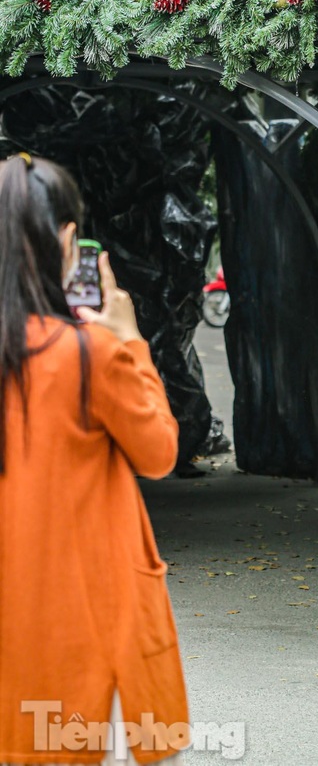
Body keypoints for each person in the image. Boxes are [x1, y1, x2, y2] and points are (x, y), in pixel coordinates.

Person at [0, 154, 188, 764]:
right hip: (75, 615)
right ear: (65, 241)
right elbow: (158, 453)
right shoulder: (87, 354)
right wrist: (128, 338)